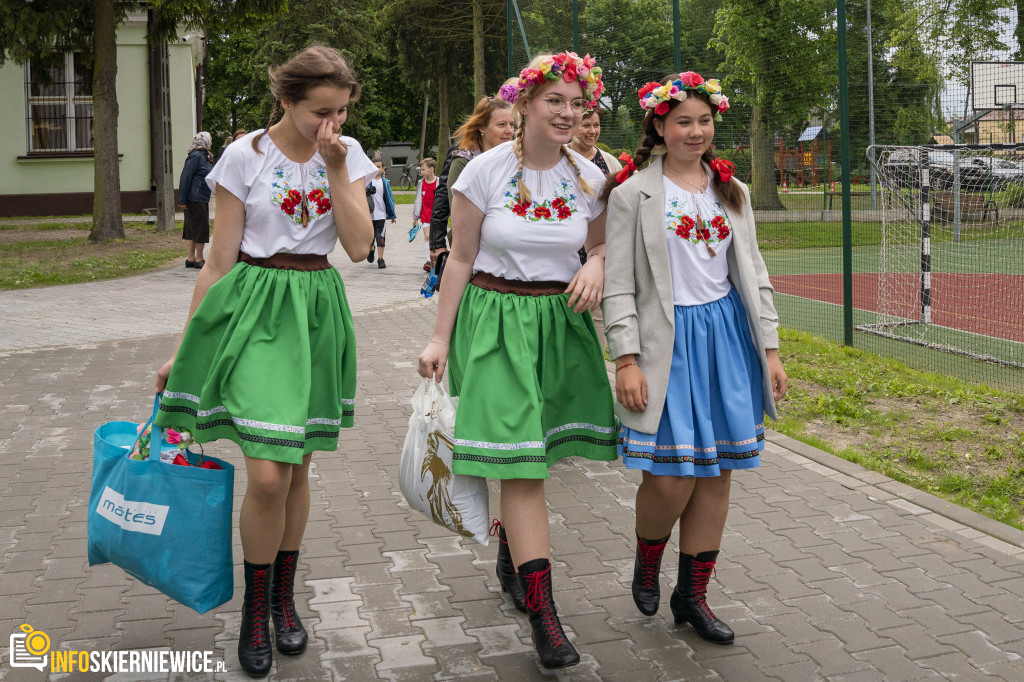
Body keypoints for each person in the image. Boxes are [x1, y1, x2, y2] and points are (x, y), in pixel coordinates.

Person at [153, 45, 375, 677]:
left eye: (339, 112)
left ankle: (283, 596)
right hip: (253, 308)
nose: (330, 123)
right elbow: (217, 262)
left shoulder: (346, 154)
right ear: (286, 100)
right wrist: (183, 348)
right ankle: (257, 607)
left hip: (314, 310)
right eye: (318, 113)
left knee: (296, 466)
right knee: (270, 474)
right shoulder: (243, 155)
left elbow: (359, 247)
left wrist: (335, 166)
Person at [418, 52, 612, 670]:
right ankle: (545, 617)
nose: (568, 112)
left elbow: (601, 245)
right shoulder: (483, 172)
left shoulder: (590, 178)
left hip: (560, 327)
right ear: (524, 103)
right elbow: (459, 258)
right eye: (555, 100)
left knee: (537, 454)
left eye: (577, 103)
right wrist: (439, 339)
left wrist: (598, 265)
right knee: (525, 469)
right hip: (495, 323)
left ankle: (513, 556)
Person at [601, 72, 788, 645]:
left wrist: (772, 352)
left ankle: (694, 596)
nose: (696, 131)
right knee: (671, 478)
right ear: (659, 126)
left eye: (704, 121)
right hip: (668, 345)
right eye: (683, 121)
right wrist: (626, 358)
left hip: (727, 338)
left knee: (717, 475)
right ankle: (648, 558)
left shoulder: (732, 190)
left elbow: (753, 273)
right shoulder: (633, 193)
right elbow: (619, 283)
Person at [427, 95, 514, 271]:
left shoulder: (516, 158)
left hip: (509, 247)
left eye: (512, 124)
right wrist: (437, 242)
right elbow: (449, 203)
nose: (509, 130)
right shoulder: (464, 160)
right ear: (482, 127)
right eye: (501, 125)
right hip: (473, 251)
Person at [177, 131, 215, 269]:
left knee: (193, 228)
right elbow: (185, 177)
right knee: (200, 228)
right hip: (195, 198)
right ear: (204, 141)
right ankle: (198, 258)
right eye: (210, 139)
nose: (211, 142)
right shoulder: (196, 156)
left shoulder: (205, 156)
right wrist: (182, 199)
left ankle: (191, 258)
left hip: (200, 197)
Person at [569, 107, 622, 177]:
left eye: (596, 125)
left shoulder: (612, 163)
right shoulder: (557, 157)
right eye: (586, 125)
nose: (593, 131)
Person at [366, 159, 397, 269]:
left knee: (381, 237)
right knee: (370, 237)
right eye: (374, 167)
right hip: (368, 215)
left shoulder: (385, 183)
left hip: (381, 215)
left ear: (383, 169)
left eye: (379, 167)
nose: (376, 169)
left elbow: (389, 199)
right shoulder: (366, 182)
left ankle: (380, 259)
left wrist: (392, 215)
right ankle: (371, 249)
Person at [412, 157, 438, 271]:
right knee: (427, 236)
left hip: (437, 216)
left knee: (436, 239)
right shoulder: (421, 183)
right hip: (426, 216)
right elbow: (418, 200)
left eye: (423, 169)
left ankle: (436, 262)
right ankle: (428, 261)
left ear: (431, 169)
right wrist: (415, 217)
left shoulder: (439, 182)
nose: (421, 172)